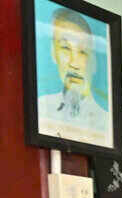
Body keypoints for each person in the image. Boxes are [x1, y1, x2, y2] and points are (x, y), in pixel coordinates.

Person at [37, 8, 109, 137]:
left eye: (82, 52)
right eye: (65, 48)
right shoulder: (40, 107)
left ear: (93, 62)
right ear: (53, 53)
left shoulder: (107, 123)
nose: (74, 63)